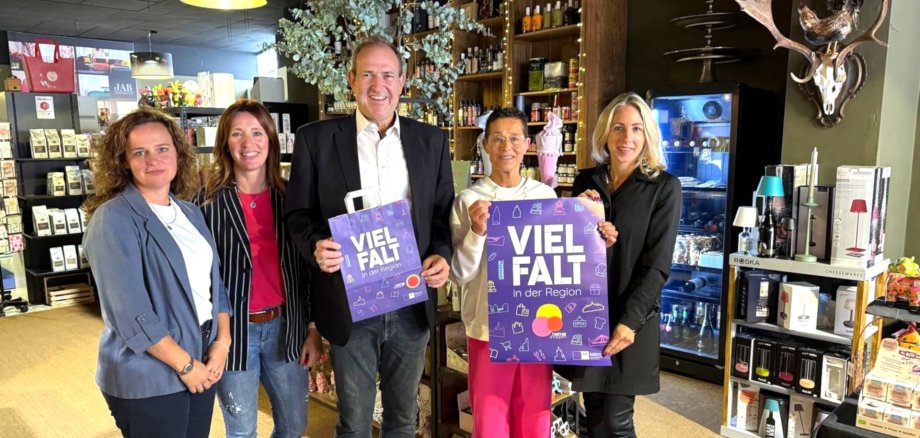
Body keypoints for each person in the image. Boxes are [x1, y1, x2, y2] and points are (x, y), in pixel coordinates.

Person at [284, 36, 453, 437]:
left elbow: (442, 216)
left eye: (388, 74)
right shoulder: (316, 140)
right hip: (349, 303)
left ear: (403, 80)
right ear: (351, 79)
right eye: (368, 74)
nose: (379, 85)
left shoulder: (431, 141)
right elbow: (297, 214)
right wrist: (314, 245)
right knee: (355, 422)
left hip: (411, 301)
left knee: (403, 418)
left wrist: (442, 254)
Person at [449, 108, 618, 437]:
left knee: (535, 416)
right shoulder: (468, 200)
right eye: (497, 138)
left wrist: (593, 237)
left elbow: (560, 261)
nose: (506, 147)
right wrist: (477, 233)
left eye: (514, 138)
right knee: (490, 419)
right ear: (485, 144)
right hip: (487, 328)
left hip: (536, 327)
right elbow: (460, 273)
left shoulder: (544, 196)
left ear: (528, 145)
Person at [82, 107, 231, 437]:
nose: (154, 160)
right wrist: (186, 365)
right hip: (151, 371)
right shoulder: (113, 218)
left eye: (162, 148)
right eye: (140, 152)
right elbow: (129, 313)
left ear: (178, 152)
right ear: (123, 161)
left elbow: (214, 284)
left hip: (202, 355)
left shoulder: (189, 212)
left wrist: (222, 341)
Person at [194, 100, 325, 438]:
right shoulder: (207, 202)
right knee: (241, 431)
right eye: (237, 134)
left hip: (285, 326)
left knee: (294, 425)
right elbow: (197, 276)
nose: (247, 143)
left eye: (256, 133)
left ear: (270, 139)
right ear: (224, 142)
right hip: (231, 333)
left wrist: (311, 327)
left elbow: (305, 270)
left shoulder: (291, 198)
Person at [569, 92, 682, 437]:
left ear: (648, 135)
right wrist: (574, 215)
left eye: (636, 128)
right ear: (605, 133)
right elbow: (570, 251)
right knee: (594, 416)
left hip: (632, 317)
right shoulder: (586, 181)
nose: (627, 138)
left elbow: (657, 265)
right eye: (618, 128)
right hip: (590, 313)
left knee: (616, 421)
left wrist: (629, 322)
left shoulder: (664, 188)